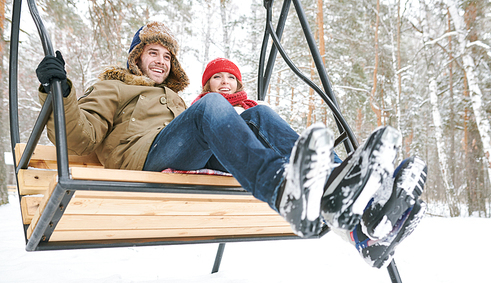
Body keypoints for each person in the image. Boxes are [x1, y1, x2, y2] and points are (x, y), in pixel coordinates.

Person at [36, 22, 427, 269]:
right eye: (152, 53)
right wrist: (60, 92)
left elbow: (211, 131)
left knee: (259, 115)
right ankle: (282, 190)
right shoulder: (114, 86)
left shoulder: (174, 99)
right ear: (136, 58)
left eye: (167, 56)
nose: (160, 61)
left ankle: (361, 214)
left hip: (186, 159)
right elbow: (79, 137)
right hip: (145, 160)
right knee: (211, 105)